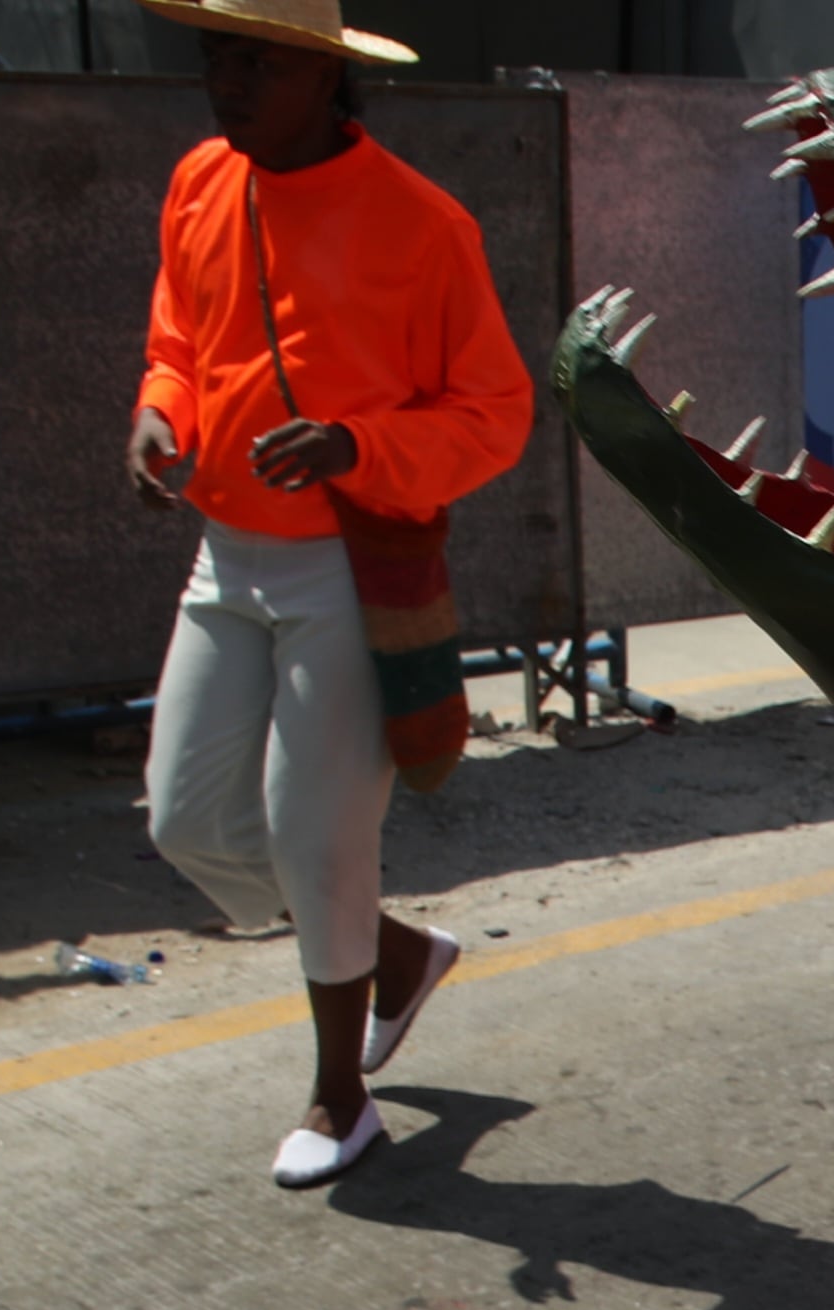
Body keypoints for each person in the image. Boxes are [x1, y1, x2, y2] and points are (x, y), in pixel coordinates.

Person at [125, 0, 532, 1189]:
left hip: (353, 569)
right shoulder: (202, 178)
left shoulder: (423, 222)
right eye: (214, 57)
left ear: (322, 75)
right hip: (225, 552)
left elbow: (493, 414)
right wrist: (161, 415)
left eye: (252, 61)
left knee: (319, 838)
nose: (225, 82)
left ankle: (341, 1096)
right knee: (186, 822)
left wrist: (357, 446)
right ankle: (391, 955)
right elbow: (178, 341)